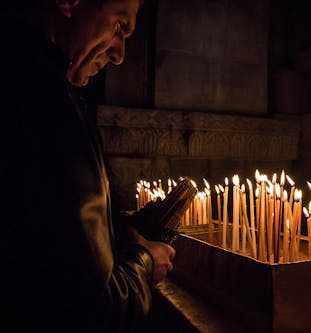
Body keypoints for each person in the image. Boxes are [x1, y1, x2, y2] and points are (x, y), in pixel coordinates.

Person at [0, 1, 176, 332]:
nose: (120, 54)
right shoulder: (42, 107)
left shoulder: (44, 88)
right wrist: (144, 263)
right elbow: (91, 313)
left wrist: (120, 235)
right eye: (120, 26)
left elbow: (52, 242)